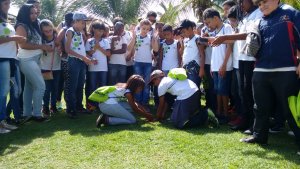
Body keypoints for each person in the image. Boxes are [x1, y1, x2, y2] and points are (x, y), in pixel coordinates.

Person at [211, 0, 300, 155]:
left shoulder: (291, 13)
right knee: (260, 106)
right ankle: (259, 136)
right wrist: (224, 38)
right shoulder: (259, 20)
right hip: (261, 69)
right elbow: (247, 35)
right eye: (259, 4)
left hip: (286, 69)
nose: (262, 5)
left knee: (291, 108)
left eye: (265, 1)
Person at [16, 4, 52, 122]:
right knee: (41, 86)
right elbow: (23, 45)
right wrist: (42, 46)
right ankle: (37, 114)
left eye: (36, 13)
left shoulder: (34, 24)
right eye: (31, 13)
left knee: (29, 87)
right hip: (26, 60)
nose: (34, 15)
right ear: (25, 13)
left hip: (36, 59)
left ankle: (27, 113)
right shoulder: (21, 26)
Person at [150, 69, 218, 129]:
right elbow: (166, 102)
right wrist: (161, 116)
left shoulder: (161, 85)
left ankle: (205, 115)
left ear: (157, 78)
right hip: (194, 90)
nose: (154, 84)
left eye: (153, 82)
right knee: (174, 119)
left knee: (179, 124)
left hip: (187, 94)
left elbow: (161, 104)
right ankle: (200, 115)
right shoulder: (168, 79)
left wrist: (157, 117)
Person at [203, 8, 233, 124]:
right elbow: (215, 50)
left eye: (209, 22)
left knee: (224, 92)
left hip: (224, 65)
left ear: (216, 18)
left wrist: (224, 65)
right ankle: (219, 112)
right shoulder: (216, 31)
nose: (208, 26)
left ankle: (225, 114)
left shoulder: (227, 28)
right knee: (217, 91)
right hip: (215, 66)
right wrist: (211, 66)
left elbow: (230, 47)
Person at [0, 0, 26, 133]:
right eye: (5, 3)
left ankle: (4, 120)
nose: (8, 6)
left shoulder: (7, 21)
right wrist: (13, 38)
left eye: (9, 3)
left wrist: (15, 41)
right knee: (3, 91)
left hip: (11, 59)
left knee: (12, 89)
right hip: (2, 59)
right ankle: (1, 122)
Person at [64, 12, 94, 118]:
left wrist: (89, 58)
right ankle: (70, 109)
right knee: (72, 86)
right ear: (75, 21)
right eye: (82, 23)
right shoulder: (70, 31)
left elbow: (80, 50)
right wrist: (83, 57)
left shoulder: (80, 33)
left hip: (81, 62)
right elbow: (67, 50)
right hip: (73, 62)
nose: (83, 25)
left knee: (80, 85)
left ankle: (79, 107)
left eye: (84, 23)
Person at [127, 19, 159, 109]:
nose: (145, 30)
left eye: (147, 29)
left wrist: (155, 39)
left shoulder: (150, 37)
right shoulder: (136, 36)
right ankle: (137, 103)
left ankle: (145, 103)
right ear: (140, 27)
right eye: (143, 28)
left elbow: (155, 49)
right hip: (137, 62)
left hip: (148, 63)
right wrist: (133, 38)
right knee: (138, 83)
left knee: (146, 84)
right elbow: (129, 48)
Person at [85, 21, 111, 111]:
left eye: (102, 31)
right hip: (92, 68)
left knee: (102, 86)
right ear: (93, 29)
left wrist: (99, 47)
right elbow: (87, 54)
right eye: (98, 30)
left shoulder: (106, 41)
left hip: (103, 68)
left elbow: (108, 53)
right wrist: (94, 49)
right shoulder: (89, 41)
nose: (100, 32)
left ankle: (102, 105)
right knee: (92, 86)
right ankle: (92, 105)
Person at [39, 19, 61, 117]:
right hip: (44, 68)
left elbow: (63, 51)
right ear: (42, 31)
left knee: (55, 89)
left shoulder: (58, 38)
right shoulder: (40, 40)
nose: (48, 33)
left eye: (50, 30)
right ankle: (45, 108)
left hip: (57, 67)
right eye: (45, 31)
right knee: (47, 90)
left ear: (53, 29)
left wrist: (61, 49)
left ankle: (53, 107)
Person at [178, 19, 205, 88]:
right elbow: (184, 54)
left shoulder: (197, 39)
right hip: (185, 68)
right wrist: (181, 67)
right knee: (187, 89)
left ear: (190, 28)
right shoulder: (185, 40)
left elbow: (202, 54)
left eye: (184, 31)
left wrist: (201, 69)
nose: (183, 34)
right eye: (182, 32)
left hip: (194, 68)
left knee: (194, 88)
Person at [56, 12, 73, 111]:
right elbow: (57, 41)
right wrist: (62, 48)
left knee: (68, 83)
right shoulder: (65, 29)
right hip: (65, 60)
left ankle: (68, 103)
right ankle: (60, 102)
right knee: (64, 83)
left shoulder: (75, 30)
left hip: (73, 59)